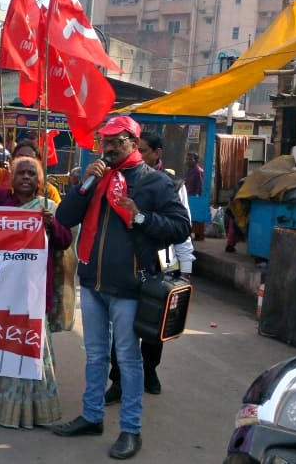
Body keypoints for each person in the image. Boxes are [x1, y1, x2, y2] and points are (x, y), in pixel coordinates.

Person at [52, 116, 191, 460]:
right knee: (96, 355)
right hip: (93, 282)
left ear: (133, 142)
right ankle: (92, 416)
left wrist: (141, 217)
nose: (109, 148)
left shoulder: (154, 183)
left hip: (129, 286)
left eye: (116, 141)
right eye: (105, 142)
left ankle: (131, 430)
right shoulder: (96, 178)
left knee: (128, 360)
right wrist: (84, 185)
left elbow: (181, 227)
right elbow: (66, 219)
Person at [0, 118, 72, 428]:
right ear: (12, 178)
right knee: (1, 345)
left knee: (33, 353)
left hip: (34, 296)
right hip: (3, 293)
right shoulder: (0, 201)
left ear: (39, 180)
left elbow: (64, 242)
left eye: (32, 173)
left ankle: (36, 411)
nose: (25, 177)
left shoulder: (46, 206)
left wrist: (51, 225)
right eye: (20, 172)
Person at [104, 132, 196, 404]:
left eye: (143, 150)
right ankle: (118, 379)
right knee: (121, 323)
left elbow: (182, 227)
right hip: (129, 259)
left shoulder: (171, 183)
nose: (138, 155)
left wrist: (185, 268)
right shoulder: (119, 179)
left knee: (156, 317)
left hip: (164, 258)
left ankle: (150, 370)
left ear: (157, 153)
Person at [185, 151, 205, 240]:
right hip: (188, 195)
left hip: (195, 197)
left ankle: (198, 235)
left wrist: (198, 197)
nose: (188, 161)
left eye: (190, 159)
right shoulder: (189, 170)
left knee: (195, 218)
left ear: (196, 161)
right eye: (187, 159)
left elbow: (200, 186)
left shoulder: (198, 171)